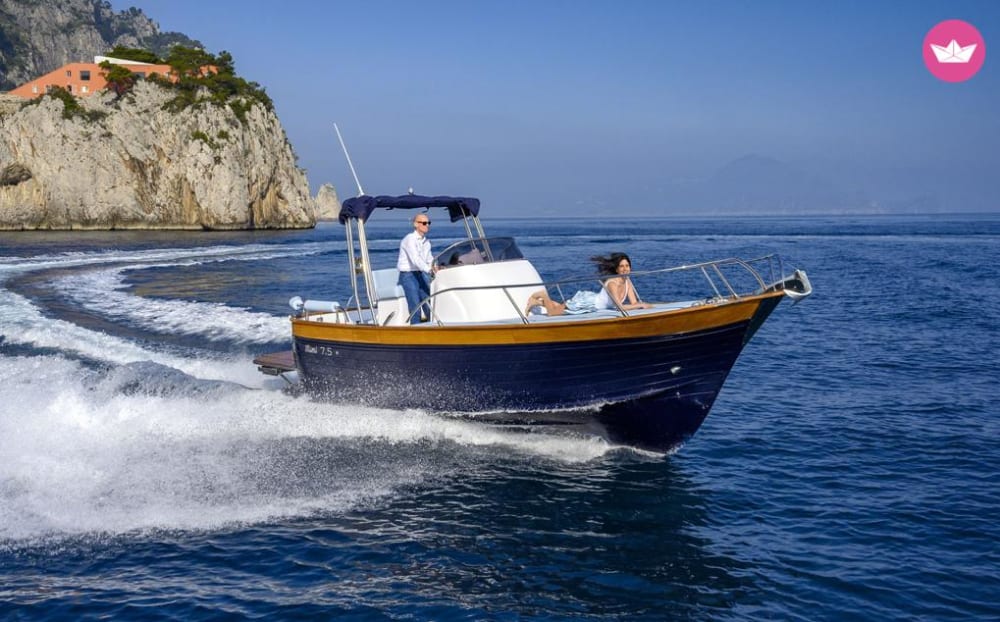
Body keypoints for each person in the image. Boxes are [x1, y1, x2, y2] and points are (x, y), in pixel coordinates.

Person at [526, 252, 653, 316]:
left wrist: (643, 305)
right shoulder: (612, 283)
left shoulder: (627, 281)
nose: (625, 269)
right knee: (553, 314)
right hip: (587, 303)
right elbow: (619, 307)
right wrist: (641, 305)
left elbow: (634, 303)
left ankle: (537, 302)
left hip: (593, 307)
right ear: (616, 269)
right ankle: (543, 295)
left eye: (627, 266)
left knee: (561, 309)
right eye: (622, 266)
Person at [397, 213, 437, 323]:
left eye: (428, 223)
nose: (427, 225)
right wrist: (429, 270)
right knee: (415, 305)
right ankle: (415, 329)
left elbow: (429, 259)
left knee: (429, 302)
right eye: (424, 223)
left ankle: (433, 327)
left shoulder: (426, 242)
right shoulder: (409, 239)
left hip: (420, 273)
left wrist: (435, 267)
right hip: (408, 275)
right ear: (416, 224)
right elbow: (415, 259)